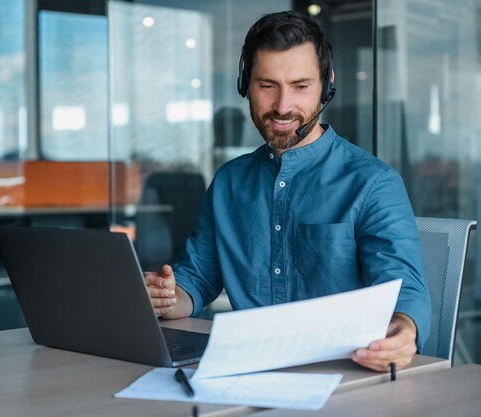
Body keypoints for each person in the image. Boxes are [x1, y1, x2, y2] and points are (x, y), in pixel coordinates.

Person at [144, 10, 430, 373]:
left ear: (327, 85)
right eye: (267, 86)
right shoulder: (229, 182)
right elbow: (196, 281)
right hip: (246, 371)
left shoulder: (374, 183)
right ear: (245, 86)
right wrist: (165, 296)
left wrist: (404, 329)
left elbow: (403, 290)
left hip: (344, 376)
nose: (282, 106)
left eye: (300, 86)